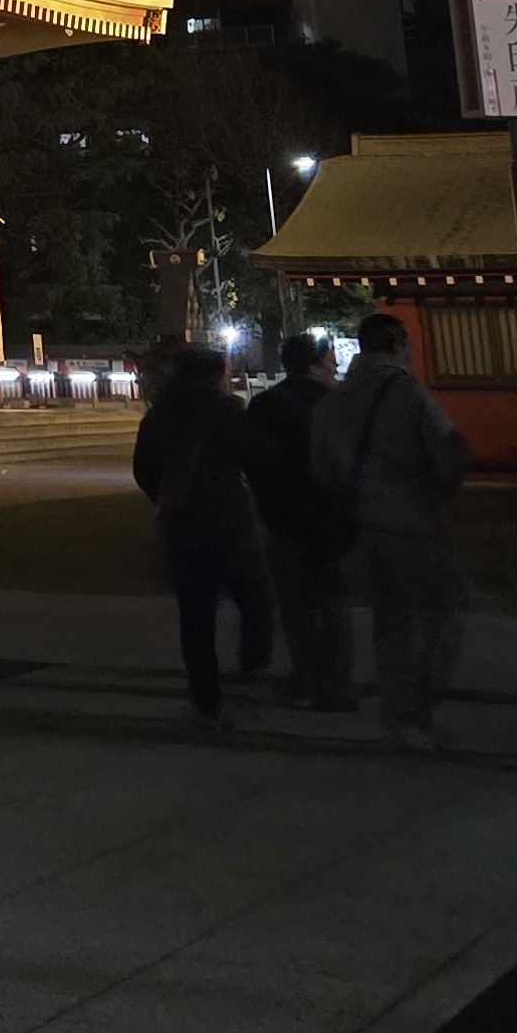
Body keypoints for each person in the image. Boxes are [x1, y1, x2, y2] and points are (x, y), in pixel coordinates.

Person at [311, 311, 468, 750]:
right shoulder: (408, 393)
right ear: (400, 345)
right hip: (412, 523)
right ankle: (415, 710)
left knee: (389, 622)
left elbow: (320, 469)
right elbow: (446, 451)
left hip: (359, 526)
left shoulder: (334, 400)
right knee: (435, 616)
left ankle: (396, 712)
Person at [132, 344, 275, 725]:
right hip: (229, 522)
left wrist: (167, 495)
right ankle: (252, 667)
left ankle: (205, 695)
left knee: (196, 614)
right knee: (256, 600)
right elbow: (257, 459)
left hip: (182, 525)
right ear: (216, 376)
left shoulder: (159, 416)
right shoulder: (227, 413)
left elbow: (143, 469)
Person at [241, 333, 355, 711]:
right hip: (331, 517)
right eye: (329, 361)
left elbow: (254, 463)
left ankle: (303, 675)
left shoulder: (265, 405)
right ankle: (335, 683)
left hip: (283, 517)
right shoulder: (338, 405)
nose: (334, 367)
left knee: (294, 603)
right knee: (332, 601)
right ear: (315, 364)